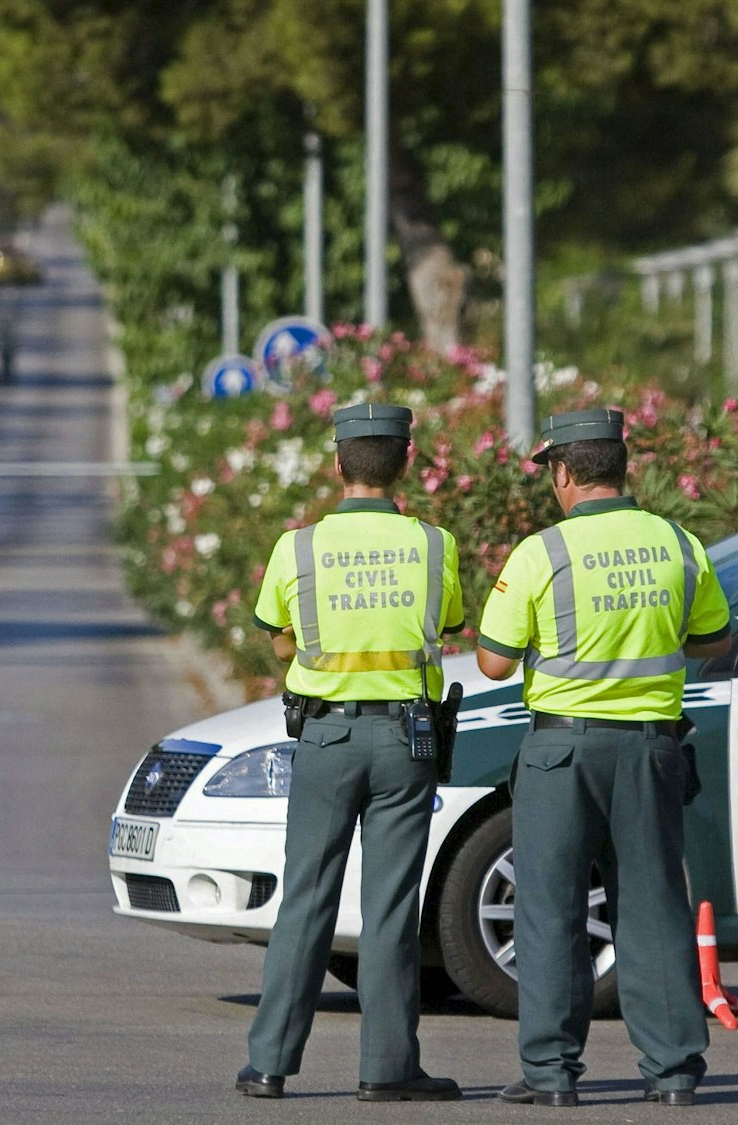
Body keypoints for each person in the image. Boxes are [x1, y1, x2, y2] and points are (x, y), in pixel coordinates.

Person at [474, 408, 732, 1109]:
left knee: (550, 908)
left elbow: (494, 663)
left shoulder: (541, 553)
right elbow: (714, 637)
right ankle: (674, 1069)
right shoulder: (678, 544)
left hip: (563, 751)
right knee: (653, 906)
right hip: (651, 749)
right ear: (624, 469)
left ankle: (552, 1073)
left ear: (563, 472)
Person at [237, 403, 464, 1104]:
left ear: (337, 465)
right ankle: (388, 1066)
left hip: (326, 738)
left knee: (305, 897)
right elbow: (449, 626)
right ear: (406, 461)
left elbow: (277, 636)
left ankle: (270, 1063)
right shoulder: (435, 544)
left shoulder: (296, 548)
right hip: (407, 739)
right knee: (391, 903)